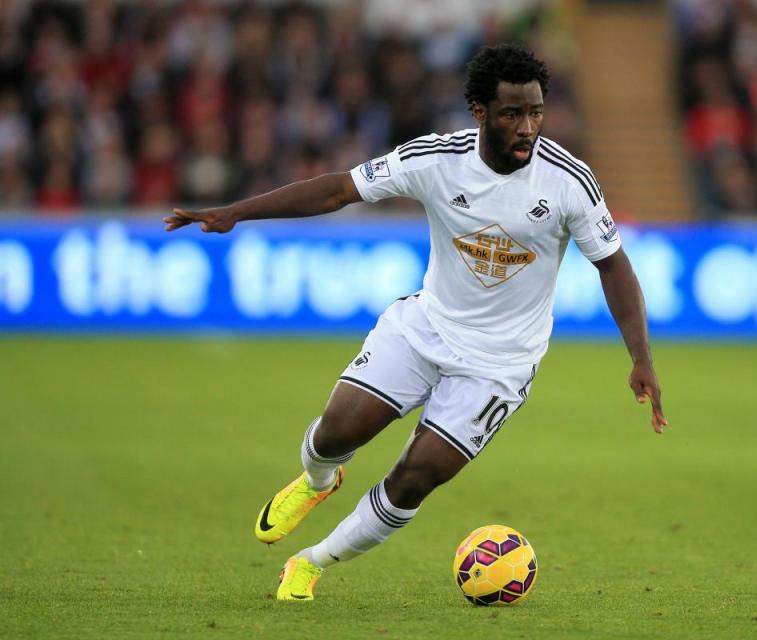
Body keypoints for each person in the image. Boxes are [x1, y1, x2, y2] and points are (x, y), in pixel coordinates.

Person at [164, 44, 667, 601]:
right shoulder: (435, 158)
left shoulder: (568, 181)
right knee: (335, 434)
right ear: (480, 112)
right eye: (512, 114)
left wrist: (640, 356)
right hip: (425, 328)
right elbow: (338, 189)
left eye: (536, 113)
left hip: (499, 365)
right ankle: (317, 481)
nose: (528, 128)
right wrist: (237, 211)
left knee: (415, 477)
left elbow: (613, 264)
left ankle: (310, 563)